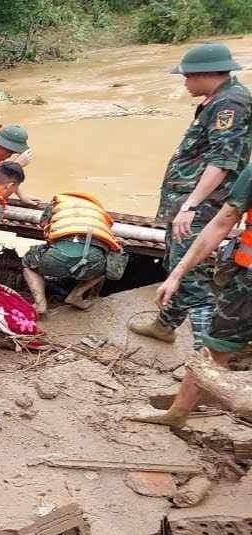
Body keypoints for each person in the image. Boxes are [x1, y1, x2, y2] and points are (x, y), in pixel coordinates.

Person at [129, 43, 250, 346]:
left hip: (202, 208)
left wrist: (191, 205)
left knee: (195, 283)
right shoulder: (218, 100)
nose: (184, 83)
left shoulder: (229, 106)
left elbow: (223, 162)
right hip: (190, 203)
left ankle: (203, 363)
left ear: (204, 74)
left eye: (187, 77)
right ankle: (164, 326)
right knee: (177, 268)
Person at [133, 163, 252, 427]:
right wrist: (177, 274)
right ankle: (178, 413)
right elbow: (222, 221)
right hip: (246, 285)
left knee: (215, 349)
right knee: (215, 347)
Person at [21, 192, 124, 315]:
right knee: (106, 267)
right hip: (93, 263)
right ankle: (76, 295)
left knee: (28, 262)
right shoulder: (100, 214)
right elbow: (113, 268)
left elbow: (43, 224)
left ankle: (40, 304)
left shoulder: (57, 204)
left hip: (56, 259)